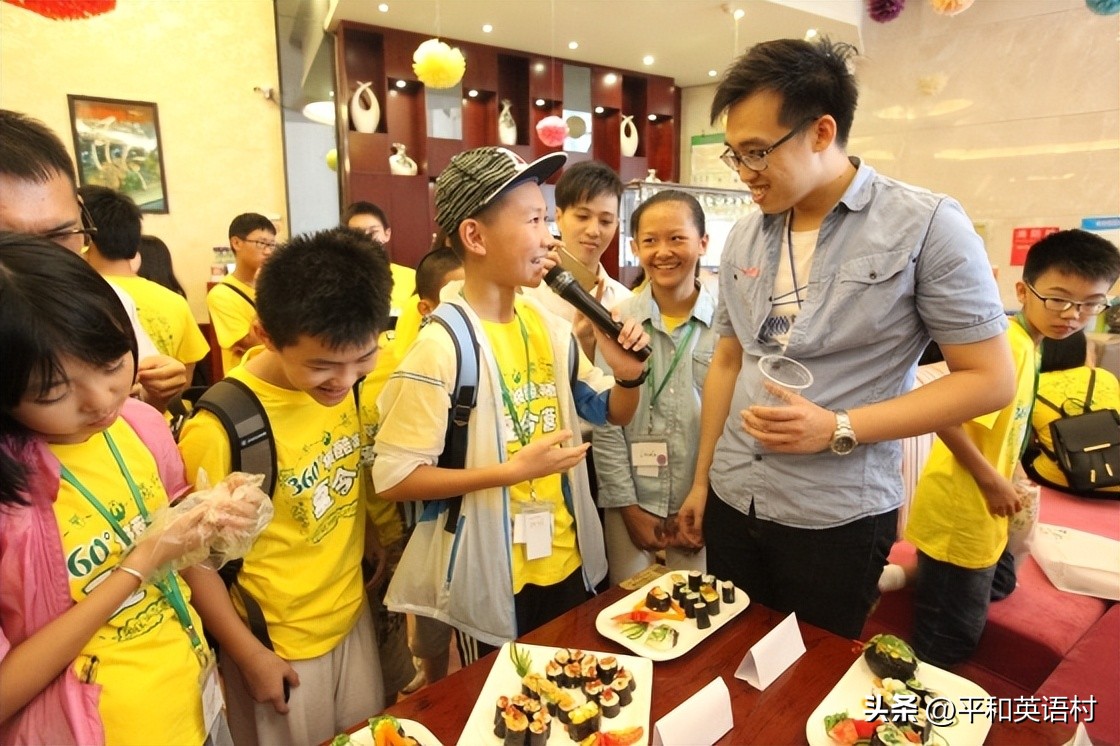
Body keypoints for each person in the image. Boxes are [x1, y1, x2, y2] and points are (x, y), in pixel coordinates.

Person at [675, 38, 1017, 640]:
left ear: (821, 131)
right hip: (735, 492)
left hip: (835, 511)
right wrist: (702, 480)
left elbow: (990, 380)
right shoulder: (746, 237)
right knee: (728, 650)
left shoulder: (926, 224)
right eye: (735, 156)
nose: (746, 175)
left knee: (810, 672)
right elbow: (729, 357)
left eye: (758, 152)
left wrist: (839, 426)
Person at [374, 147, 649, 664]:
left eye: (546, 218)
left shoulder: (549, 327)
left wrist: (630, 376)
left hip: (568, 558)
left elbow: (610, 412)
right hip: (492, 574)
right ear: (475, 236)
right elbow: (393, 478)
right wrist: (509, 472)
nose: (549, 237)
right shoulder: (441, 346)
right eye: (534, 220)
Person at [0, 235, 255, 745]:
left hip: (194, 700)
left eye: (114, 364)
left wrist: (209, 518)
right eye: (52, 392)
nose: (101, 402)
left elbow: (182, 551)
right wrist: (138, 565)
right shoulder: (13, 498)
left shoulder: (141, 424)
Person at [179, 228, 392, 746]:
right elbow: (193, 559)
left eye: (363, 357)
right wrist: (250, 655)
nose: (343, 380)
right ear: (265, 333)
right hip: (277, 640)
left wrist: (369, 534)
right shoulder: (223, 426)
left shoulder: (349, 384)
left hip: (351, 615)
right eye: (321, 366)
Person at [905, 229, 1120, 666]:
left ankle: (911, 580)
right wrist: (991, 482)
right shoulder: (1008, 347)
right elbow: (941, 414)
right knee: (950, 639)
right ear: (1023, 290)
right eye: (1059, 299)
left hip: (987, 508)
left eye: (1091, 303)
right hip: (961, 510)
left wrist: (1013, 476)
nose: (1073, 315)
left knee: (998, 586)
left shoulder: (1032, 344)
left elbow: (1009, 425)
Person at [0, 108, 187, 412]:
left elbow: (135, 399)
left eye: (59, 235)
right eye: (9, 247)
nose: (42, 263)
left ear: (81, 211)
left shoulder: (112, 300)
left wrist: (158, 394)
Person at [592, 190, 717, 585]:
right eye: (650, 241)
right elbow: (606, 420)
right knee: (627, 615)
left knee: (698, 616)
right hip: (631, 500)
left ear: (703, 243)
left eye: (677, 238)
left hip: (701, 503)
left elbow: (730, 425)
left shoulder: (728, 324)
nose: (663, 251)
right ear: (634, 248)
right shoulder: (616, 321)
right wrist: (627, 507)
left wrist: (706, 497)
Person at [361, 242, 464, 697]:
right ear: (425, 306)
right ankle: (434, 684)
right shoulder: (404, 364)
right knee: (428, 621)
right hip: (416, 519)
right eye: (454, 297)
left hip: (471, 515)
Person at [80, 185, 210, 384]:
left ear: (86, 239)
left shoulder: (81, 297)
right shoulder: (175, 301)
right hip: (162, 413)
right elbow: (184, 378)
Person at [526, 160, 630, 359]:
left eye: (606, 221)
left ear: (617, 225)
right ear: (558, 216)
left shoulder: (624, 302)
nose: (593, 231)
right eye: (582, 217)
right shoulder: (527, 292)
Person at [206, 213, 276, 376]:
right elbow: (255, 344)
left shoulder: (278, 286)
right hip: (246, 384)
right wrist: (263, 290)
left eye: (272, 245)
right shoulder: (221, 294)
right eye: (261, 243)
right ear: (236, 242)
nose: (268, 251)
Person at [342, 201, 416, 331]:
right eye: (357, 232)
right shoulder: (340, 280)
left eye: (373, 232)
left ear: (387, 234)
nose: (366, 238)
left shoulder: (412, 277)